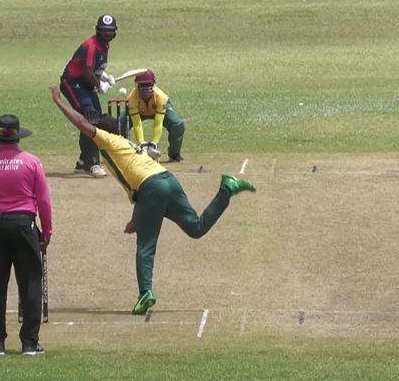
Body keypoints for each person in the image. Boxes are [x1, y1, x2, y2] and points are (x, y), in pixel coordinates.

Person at [52, 85, 255, 315]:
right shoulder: (125, 145)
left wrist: (59, 102)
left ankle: (145, 293)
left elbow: (81, 123)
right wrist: (136, 217)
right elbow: (136, 182)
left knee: (145, 247)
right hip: (168, 181)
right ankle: (227, 188)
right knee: (196, 228)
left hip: (153, 188)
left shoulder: (109, 141)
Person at [0, 114, 53, 356]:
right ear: (18, 135)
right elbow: (44, 201)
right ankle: (29, 343)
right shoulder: (32, 162)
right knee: (31, 283)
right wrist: (46, 232)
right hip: (25, 225)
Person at [58, 14, 118, 178]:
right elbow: (86, 71)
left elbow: (92, 67)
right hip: (73, 83)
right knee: (90, 117)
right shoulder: (91, 45)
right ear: (97, 30)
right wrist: (100, 85)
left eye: (110, 32)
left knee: (95, 119)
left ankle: (84, 162)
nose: (107, 35)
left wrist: (104, 76)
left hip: (84, 83)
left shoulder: (104, 45)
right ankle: (92, 163)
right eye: (104, 31)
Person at [119, 69, 186, 163]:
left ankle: (174, 155)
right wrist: (141, 143)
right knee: (119, 125)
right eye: (142, 85)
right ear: (137, 86)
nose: (145, 89)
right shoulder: (132, 98)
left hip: (158, 111)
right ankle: (123, 156)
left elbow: (158, 123)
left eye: (148, 85)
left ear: (153, 84)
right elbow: (137, 123)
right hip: (139, 111)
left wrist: (154, 143)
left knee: (177, 125)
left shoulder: (160, 97)